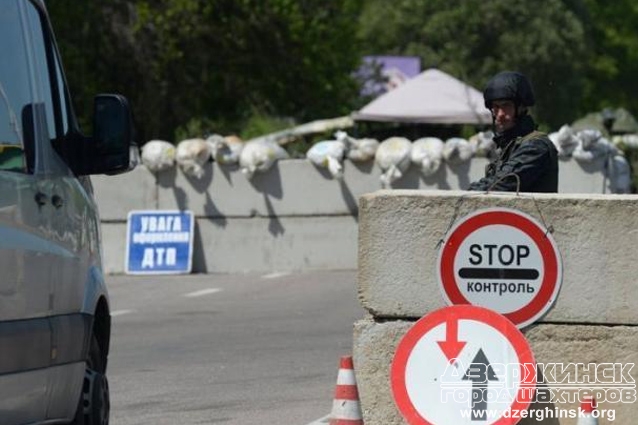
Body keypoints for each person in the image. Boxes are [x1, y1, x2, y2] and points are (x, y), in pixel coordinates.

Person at [468, 71, 558, 192]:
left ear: (522, 107)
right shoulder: (511, 145)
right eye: (495, 107)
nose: (500, 114)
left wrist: (470, 191)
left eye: (506, 106)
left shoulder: (535, 146)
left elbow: (501, 184)